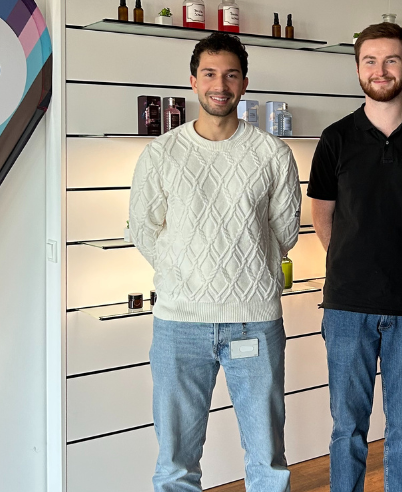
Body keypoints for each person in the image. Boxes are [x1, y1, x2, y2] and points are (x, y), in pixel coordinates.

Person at [129, 32, 301, 492]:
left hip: (254, 321)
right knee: (175, 463)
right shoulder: (161, 154)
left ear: (244, 83)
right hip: (178, 324)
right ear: (193, 81)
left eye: (230, 74)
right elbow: (143, 230)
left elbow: (285, 233)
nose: (219, 84)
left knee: (267, 458)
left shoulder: (272, 154)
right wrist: (184, 272)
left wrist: (244, 267)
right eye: (209, 74)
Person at [308, 22, 402, 492]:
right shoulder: (335, 139)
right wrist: (360, 264)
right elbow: (323, 221)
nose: (381, 69)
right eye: (370, 60)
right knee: (346, 429)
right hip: (347, 306)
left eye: (391, 60)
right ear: (358, 68)